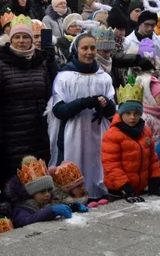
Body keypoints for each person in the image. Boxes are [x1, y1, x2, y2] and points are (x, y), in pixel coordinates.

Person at [48, 32, 117, 198]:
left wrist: (105, 106)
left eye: (93, 48)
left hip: (98, 132)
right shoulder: (64, 77)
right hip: (74, 133)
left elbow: (112, 110)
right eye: (84, 48)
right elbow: (59, 110)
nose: (89, 52)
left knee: (98, 164)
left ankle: (99, 196)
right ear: (76, 50)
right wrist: (83, 102)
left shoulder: (104, 77)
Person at [0, 16, 57, 180]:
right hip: (12, 135)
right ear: (10, 39)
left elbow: (48, 96)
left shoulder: (39, 63)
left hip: (38, 133)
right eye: (17, 37)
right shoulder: (0, 66)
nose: (21, 41)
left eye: (25, 37)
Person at [100, 76, 160, 201]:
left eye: (136, 113)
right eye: (128, 113)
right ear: (121, 113)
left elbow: (152, 158)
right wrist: (125, 187)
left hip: (140, 189)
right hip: (119, 191)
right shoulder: (112, 135)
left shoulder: (145, 131)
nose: (132, 117)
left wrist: (155, 180)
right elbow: (111, 165)